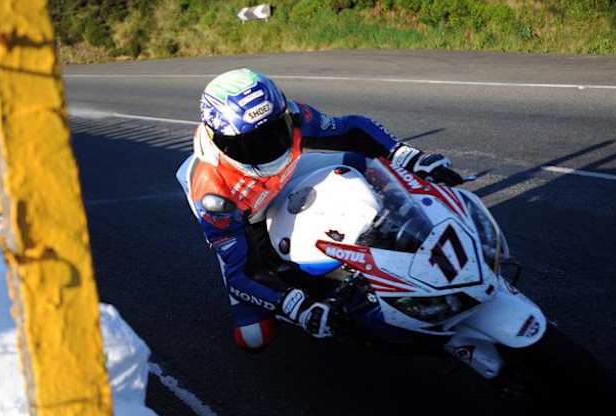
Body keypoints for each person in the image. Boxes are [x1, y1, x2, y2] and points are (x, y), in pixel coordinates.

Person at [176, 68, 462, 352]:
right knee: (253, 336)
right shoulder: (213, 196)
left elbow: (350, 129)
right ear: (221, 142)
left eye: (275, 131)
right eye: (252, 143)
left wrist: (406, 156)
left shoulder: (293, 116)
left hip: (284, 176)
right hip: (247, 214)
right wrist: (294, 304)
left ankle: (416, 226)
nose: (269, 146)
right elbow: (242, 274)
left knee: (358, 162)